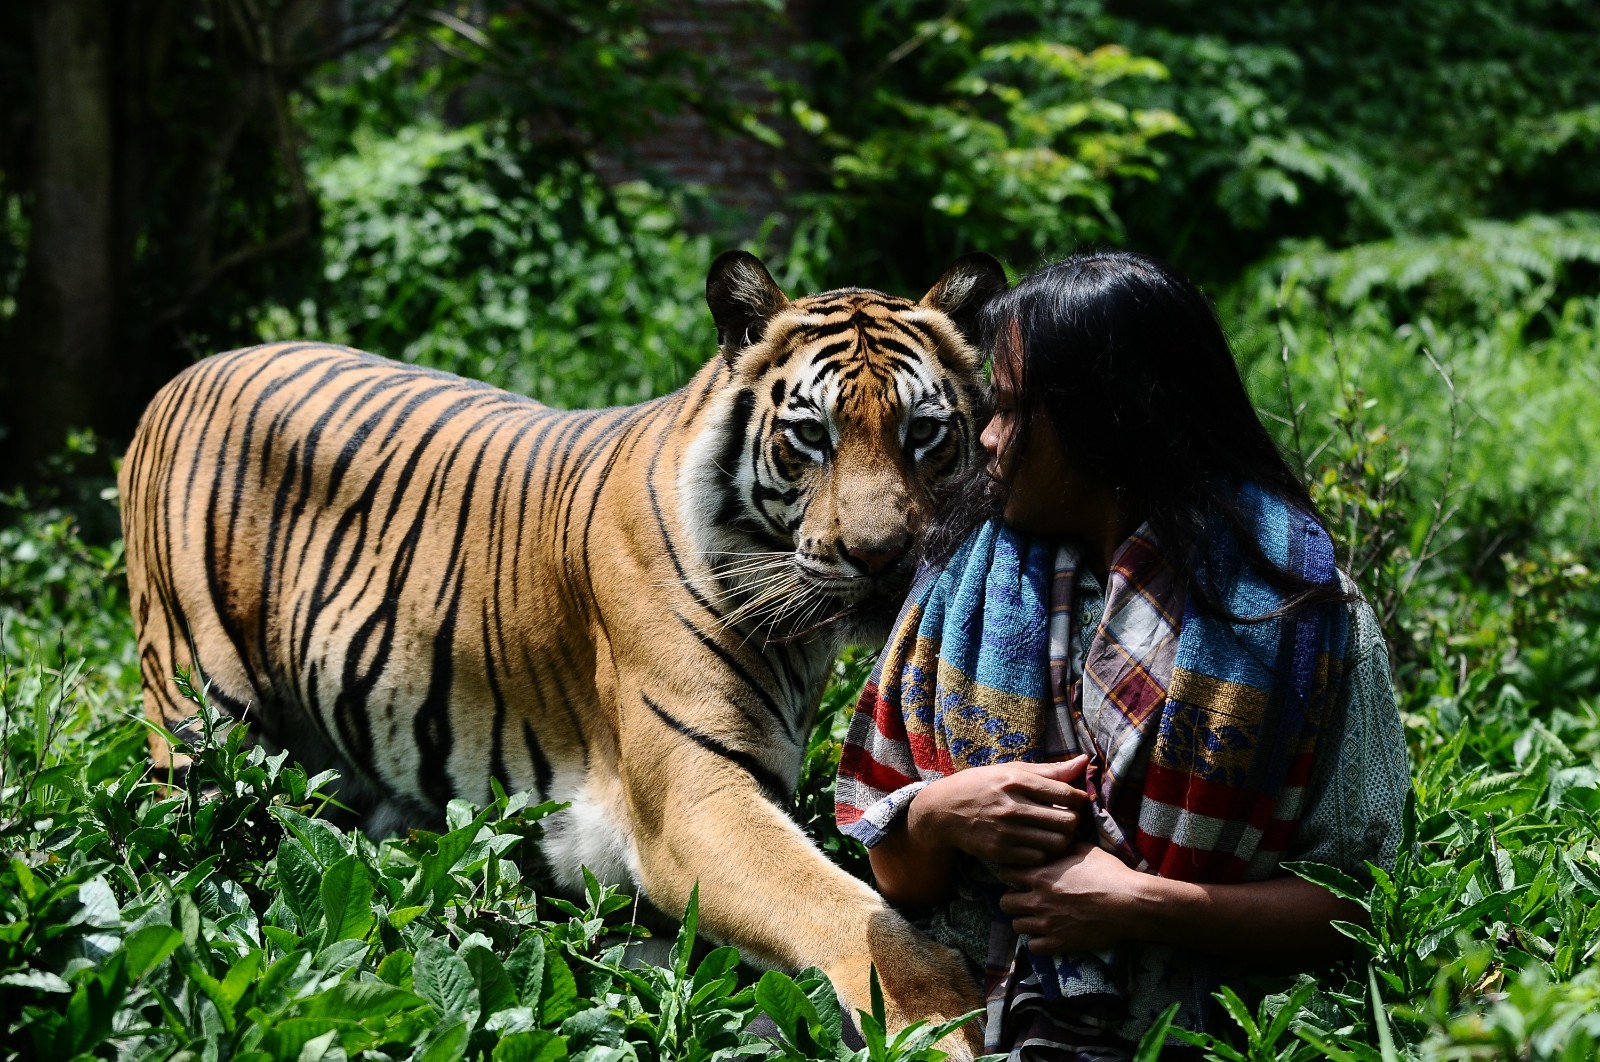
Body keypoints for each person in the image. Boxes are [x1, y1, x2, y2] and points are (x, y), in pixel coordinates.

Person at [836, 249, 1410, 1060]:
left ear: (1104, 422)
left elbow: (1358, 902)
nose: (989, 438)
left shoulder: (1306, 617)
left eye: (1009, 409)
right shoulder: (957, 590)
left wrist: (1141, 903)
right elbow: (900, 877)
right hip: (966, 1029)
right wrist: (941, 813)